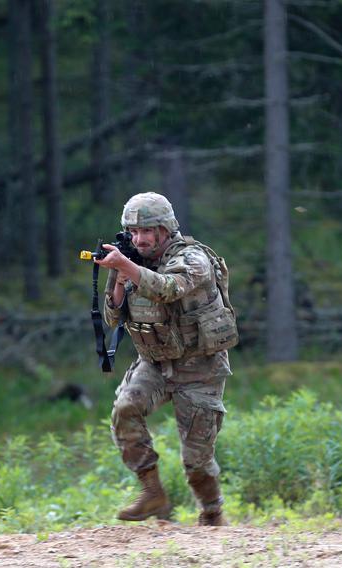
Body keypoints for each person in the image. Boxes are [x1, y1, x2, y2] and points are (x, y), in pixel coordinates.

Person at [94, 192, 238, 526]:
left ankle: (212, 513)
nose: (138, 238)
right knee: (125, 408)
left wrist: (126, 266)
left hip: (200, 368)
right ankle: (152, 493)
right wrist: (118, 275)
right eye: (133, 232)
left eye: (147, 231)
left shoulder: (193, 259)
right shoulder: (132, 260)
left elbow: (167, 288)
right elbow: (112, 318)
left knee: (197, 460)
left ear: (165, 229)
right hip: (156, 362)